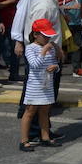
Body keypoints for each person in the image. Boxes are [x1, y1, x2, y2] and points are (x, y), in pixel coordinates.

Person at [19, 19, 63, 151]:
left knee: (45, 111)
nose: (47, 38)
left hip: (47, 84)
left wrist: (55, 67)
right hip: (35, 85)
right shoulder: (30, 48)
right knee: (30, 111)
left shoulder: (51, 48)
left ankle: (45, 137)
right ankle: (24, 140)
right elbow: (35, 65)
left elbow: (57, 63)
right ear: (35, 35)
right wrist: (44, 50)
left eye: (49, 35)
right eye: (45, 35)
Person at [0, 0, 21, 80]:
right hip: (1, 23)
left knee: (15, 49)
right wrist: (11, 1)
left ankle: (14, 74)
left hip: (15, 23)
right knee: (1, 50)